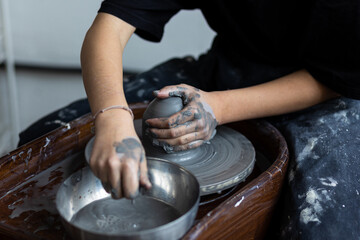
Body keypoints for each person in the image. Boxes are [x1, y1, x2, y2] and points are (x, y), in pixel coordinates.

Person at [19, 0, 360, 239]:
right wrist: (112, 117)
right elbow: (108, 29)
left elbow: (336, 75)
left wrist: (218, 108)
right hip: (230, 65)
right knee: (40, 144)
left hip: (325, 87)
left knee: (322, 224)